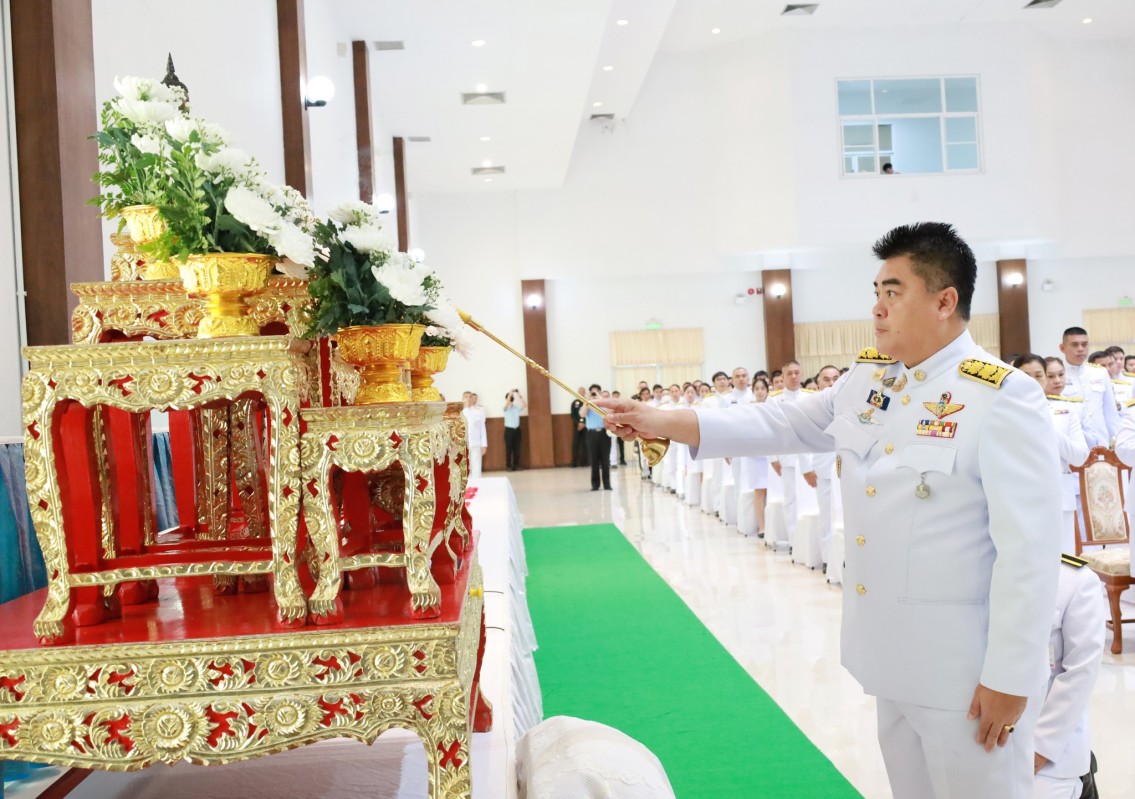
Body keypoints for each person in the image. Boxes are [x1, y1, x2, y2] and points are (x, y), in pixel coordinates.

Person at [598, 222, 1061, 798]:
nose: (878, 308)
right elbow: (787, 422)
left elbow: (1031, 552)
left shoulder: (1001, 396)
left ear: (945, 301)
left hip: (965, 675)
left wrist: (1011, 677)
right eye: (877, 292)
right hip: (890, 660)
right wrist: (658, 420)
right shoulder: (873, 378)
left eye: (894, 292)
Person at [1031, 553, 1105, 799]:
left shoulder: (1075, 580)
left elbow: (1080, 674)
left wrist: (1040, 748)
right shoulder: (971, 574)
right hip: (980, 741)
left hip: (1052, 751)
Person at [1017, 355, 1089, 554]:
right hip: (1019, 497)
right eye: (1025, 375)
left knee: (1062, 559)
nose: (1032, 381)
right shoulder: (1002, 411)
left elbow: (1080, 456)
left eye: (1038, 375)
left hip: (1059, 496)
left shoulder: (1065, 410)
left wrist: (1048, 428)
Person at [766, 360, 817, 550]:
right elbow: (769, 430)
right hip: (787, 458)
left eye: (797, 373)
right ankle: (795, 542)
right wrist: (772, 457)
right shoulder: (774, 399)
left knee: (811, 499)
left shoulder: (811, 396)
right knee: (791, 499)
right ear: (783, 376)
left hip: (811, 456)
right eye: (790, 374)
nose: (794, 377)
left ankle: (810, 542)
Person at [1058, 327, 1118, 447]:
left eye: (1084, 344)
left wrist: (1116, 439)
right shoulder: (1057, 374)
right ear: (1062, 348)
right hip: (1071, 443)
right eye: (1075, 345)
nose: (1080, 349)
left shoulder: (1100, 372)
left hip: (1101, 442)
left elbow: (1110, 411)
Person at [813, 364, 843, 568]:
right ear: (818, 383)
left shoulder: (851, 402)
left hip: (847, 469)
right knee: (826, 515)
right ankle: (826, 559)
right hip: (823, 466)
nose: (831, 383)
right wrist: (807, 468)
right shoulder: (812, 405)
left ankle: (844, 559)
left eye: (835, 378)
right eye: (826, 379)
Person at [582, 384, 611, 491]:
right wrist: (587, 400)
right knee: (594, 460)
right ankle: (595, 484)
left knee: (605, 460)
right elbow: (582, 414)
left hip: (604, 433)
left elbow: (609, 412)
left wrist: (600, 398)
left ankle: (607, 484)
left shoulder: (604, 404)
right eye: (592, 392)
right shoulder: (587, 404)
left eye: (596, 392)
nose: (594, 394)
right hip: (591, 434)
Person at [462, 391, 488, 479]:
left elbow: (482, 429)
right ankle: (467, 488)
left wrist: (484, 445)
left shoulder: (478, 413)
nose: (468, 399)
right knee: (466, 467)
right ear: (462, 399)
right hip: (463, 444)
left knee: (476, 466)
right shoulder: (460, 413)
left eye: (470, 397)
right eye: (466, 397)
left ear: (473, 399)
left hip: (476, 443)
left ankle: (477, 486)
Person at [502, 388, 526, 471]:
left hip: (517, 430)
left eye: (512, 397)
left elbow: (524, 405)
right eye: (509, 397)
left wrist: (519, 396)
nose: (511, 398)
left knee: (517, 449)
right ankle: (508, 466)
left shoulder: (516, 407)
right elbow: (507, 402)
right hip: (509, 430)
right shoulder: (505, 408)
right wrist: (510, 393)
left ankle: (516, 465)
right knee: (508, 449)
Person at [570, 387, 588, 467]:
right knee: (575, 444)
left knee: (585, 444)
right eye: (580, 392)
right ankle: (574, 462)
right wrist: (578, 423)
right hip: (577, 426)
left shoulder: (587, 402)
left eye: (582, 392)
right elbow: (573, 415)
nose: (581, 393)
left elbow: (588, 414)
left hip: (586, 426)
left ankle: (585, 462)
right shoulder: (575, 403)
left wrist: (584, 423)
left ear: (585, 393)